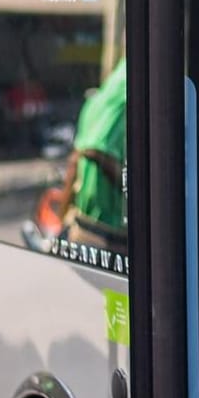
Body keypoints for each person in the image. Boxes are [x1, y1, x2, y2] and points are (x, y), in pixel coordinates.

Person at [27, 58, 128, 252]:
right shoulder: (124, 86)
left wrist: (60, 223)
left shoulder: (107, 94)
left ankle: (53, 240)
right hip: (105, 233)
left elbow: (79, 158)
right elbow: (92, 151)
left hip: (90, 227)